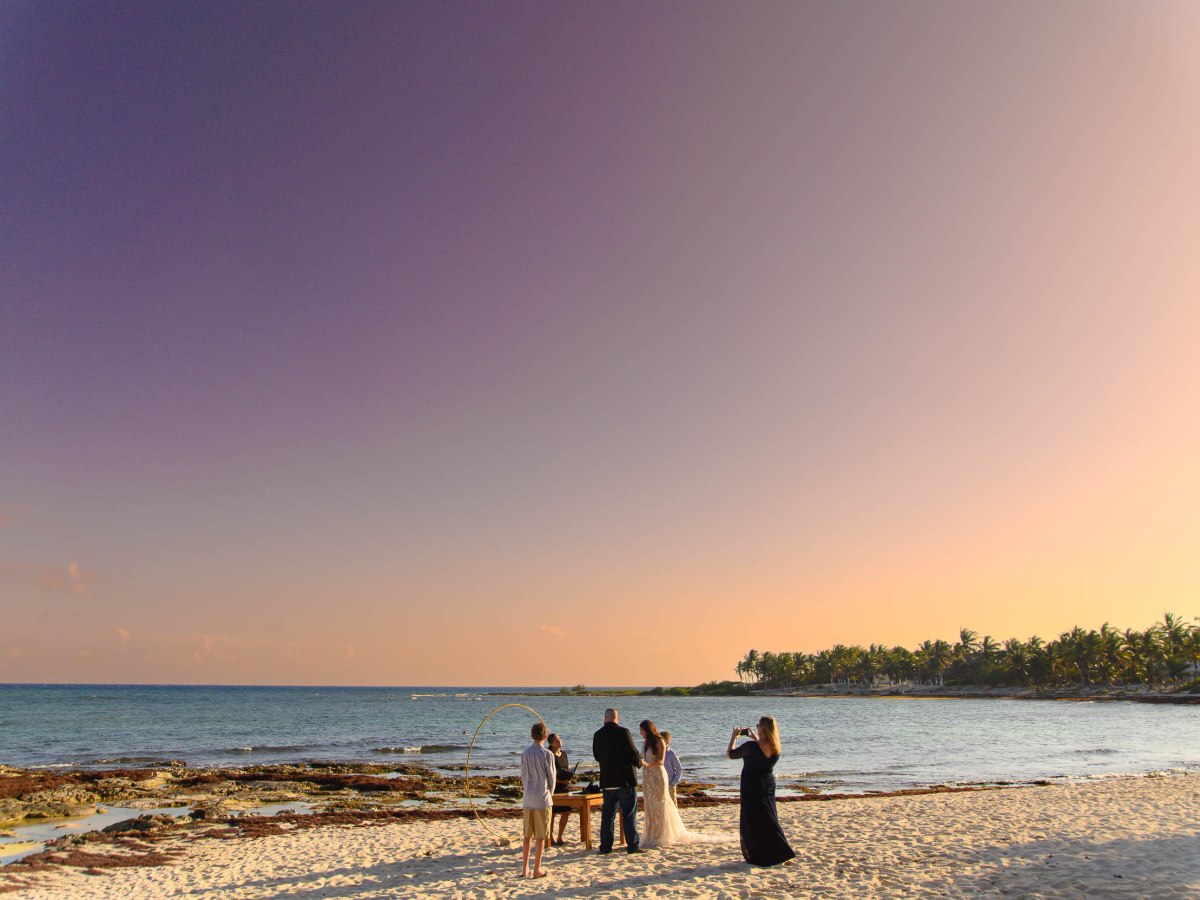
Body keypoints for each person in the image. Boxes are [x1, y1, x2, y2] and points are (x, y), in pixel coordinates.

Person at [640, 719, 731, 849]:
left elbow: (660, 761)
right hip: (647, 777)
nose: (640, 733)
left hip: (657, 776)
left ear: (648, 730)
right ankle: (651, 834)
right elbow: (642, 756)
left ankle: (660, 835)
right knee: (650, 806)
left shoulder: (659, 741)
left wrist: (648, 764)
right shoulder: (645, 743)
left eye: (642, 731)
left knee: (660, 805)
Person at [727, 715, 795, 866]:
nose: (756, 726)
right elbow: (763, 753)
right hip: (768, 784)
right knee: (768, 817)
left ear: (763, 727)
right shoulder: (775, 745)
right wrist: (755, 737)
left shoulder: (751, 746)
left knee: (752, 819)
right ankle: (779, 850)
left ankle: (758, 853)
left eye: (758, 724)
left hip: (751, 785)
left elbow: (731, 754)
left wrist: (734, 738)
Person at [591, 707, 641, 854]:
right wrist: (638, 762)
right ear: (617, 718)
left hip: (608, 780)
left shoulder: (598, 734)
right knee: (629, 814)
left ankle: (606, 846)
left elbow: (597, 756)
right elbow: (633, 752)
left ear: (605, 718)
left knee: (607, 816)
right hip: (625, 780)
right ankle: (632, 845)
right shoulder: (623, 732)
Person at [519, 721, 556, 878]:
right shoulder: (547, 754)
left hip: (528, 798)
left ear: (532, 735)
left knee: (527, 835)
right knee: (540, 836)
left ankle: (524, 868)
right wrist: (550, 794)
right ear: (545, 736)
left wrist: (528, 789)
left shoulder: (525, 753)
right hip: (542, 798)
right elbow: (552, 777)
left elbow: (523, 776)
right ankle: (536, 869)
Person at [547, 732, 574, 846]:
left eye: (560, 739)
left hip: (565, 787)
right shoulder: (549, 755)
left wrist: (570, 776)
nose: (560, 741)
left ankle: (560, 837)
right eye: (557, 740)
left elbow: (566, 769)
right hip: (555, 788)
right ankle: (551, 838)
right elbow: (549, 775)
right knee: (552, 814)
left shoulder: (563, 754)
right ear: (552, 743)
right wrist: (561, 780)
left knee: (566, 812)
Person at [661, 730, 682, 805]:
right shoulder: (658, 753)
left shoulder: (672, 754)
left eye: (661, 740)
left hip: (670, 783)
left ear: (667, 741)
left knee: (672, 804)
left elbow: (679, 769)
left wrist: (673, 783)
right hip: (661, 784)